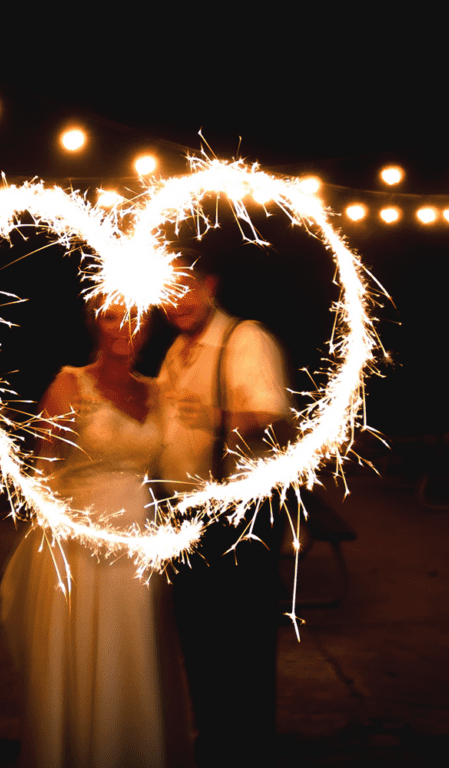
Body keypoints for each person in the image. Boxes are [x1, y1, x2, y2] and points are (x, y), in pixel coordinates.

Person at [0, 299, 194, 768]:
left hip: (140, 541)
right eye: (111, 316)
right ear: (94, 324)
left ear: (147, 330)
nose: (123, 327)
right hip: (81, 545)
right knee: (87, 657)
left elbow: (175, 467)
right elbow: (43, 471)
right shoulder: (71, 383)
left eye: (135, 318)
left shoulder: (158, 391)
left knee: (134, 654)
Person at [157, 249, 294, 767]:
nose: (177, 302)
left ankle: (250, 751)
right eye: (167, 293)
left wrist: (218, 416)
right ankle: (215, 745)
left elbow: (278, 419)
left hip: (238, 519)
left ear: (209, 284)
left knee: (244, 650)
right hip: (186, 518)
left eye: (185, 287)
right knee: (201, 644)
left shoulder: (246, 338)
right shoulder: (176, 350)